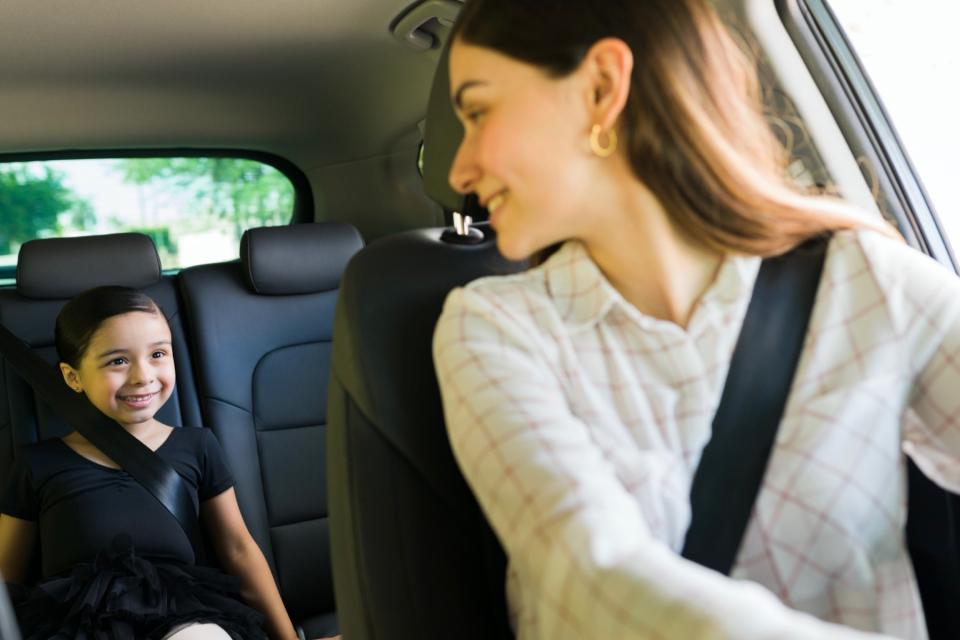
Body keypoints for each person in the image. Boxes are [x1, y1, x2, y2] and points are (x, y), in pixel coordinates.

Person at [432, 1, 960, 639]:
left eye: (478, 111)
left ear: (601, 90)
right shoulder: (493, 329)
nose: (459, 171)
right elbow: (598, 580)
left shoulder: (865, 280)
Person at [0, 286, 299, 640]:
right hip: (80, 625)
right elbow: (6, 578)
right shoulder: (39, 465)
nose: (143, 376)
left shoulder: (196, 446)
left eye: (158, 354)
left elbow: (238, 549)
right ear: (72, 377)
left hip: (184, 617)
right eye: (118, 361)